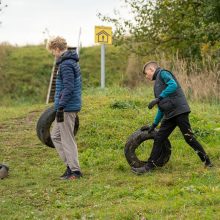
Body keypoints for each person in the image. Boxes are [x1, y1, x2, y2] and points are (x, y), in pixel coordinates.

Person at [132, 61, 213, 174]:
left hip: (179, 111)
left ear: (151, 70)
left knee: (189, 138)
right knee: (159, 138)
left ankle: (207, 162)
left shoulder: (163, 73)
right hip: (169, 114)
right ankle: (149, 167)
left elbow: (173, 85)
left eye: (146, 73)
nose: (146, 76)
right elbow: (161, 107)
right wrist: (154, 125)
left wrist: (159, 98)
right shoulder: (157, 85)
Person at [47, 36, 82, 180]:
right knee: (55, 136)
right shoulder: (69, 62)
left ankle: (75, 171)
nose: (53, 55)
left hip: (66, 107)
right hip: (65, 106)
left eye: (52, 52)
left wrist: (61, 104)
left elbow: (69, 87)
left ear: (57, 49)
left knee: (67, 139)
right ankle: (70, 166)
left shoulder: (66, 64)